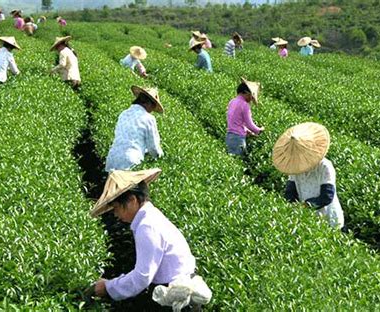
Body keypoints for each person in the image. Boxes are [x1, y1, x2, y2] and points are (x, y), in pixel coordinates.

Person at [90, 168, 211, 311]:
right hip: (179, 292)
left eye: (116, 208)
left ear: (132, 200)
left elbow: (142, 277)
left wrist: (109, 287)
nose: (115, 214)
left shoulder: (147, 227)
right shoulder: (150, 217)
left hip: (176, 297)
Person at [272, 122, 345, 230]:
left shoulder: (325, 166)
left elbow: (327, 196)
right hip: (309, 219)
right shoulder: (294, 167)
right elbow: (290, 193)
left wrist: (306, 205)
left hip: (329, 217)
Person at [105, 86, 164, 172]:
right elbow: (153, 149)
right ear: (147, 103)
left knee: (113, 185)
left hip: (112, 160)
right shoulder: (148, 118)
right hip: (130, 161)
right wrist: (161, 156)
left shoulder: (123, 113)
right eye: (153, 106)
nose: (151, 110)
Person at [226, 77, 264, 156]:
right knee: (238, 160)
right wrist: (259, 130)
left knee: (232, 160)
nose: (251, 99)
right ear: (246, 93)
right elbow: (249, 124)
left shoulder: (232, 101)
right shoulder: (244, 105)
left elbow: (234, 121)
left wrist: (246, 130)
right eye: (251, 95)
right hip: (238, 139)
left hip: (229, 137)